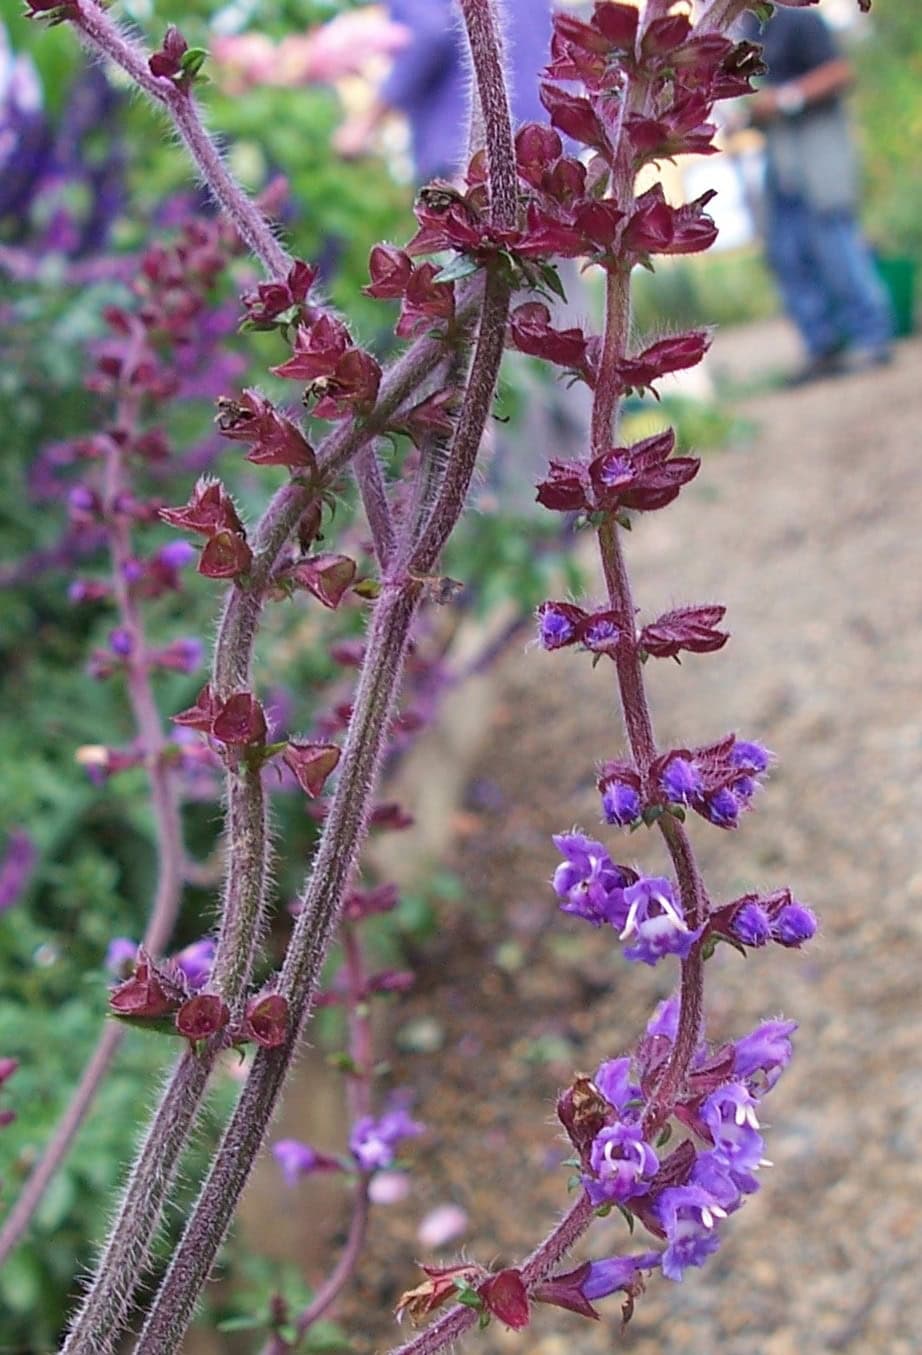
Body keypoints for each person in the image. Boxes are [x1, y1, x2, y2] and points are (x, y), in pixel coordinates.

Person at [746, 7, 892, 383]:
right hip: (778, 153)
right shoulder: (748, 28)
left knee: (835, 239)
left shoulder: (798, 19)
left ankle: (871, 337)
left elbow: (840, 71)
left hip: (818, 144)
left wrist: (785, 98)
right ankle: (822, 346)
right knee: (787, 250)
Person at [333, 0, 555, 182]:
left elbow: (428, 34)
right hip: (549, 138)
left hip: (467, 147)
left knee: (477, 215)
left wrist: (364, 123)